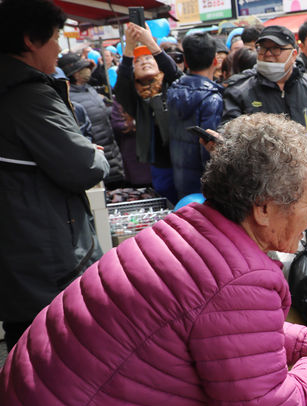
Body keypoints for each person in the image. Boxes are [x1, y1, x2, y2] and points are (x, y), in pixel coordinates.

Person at [0, 112, 307, 406]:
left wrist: (301, 344)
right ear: (263, 208)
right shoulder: (239, 278)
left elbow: (208, 326)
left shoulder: (186, 230)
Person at [0, 0, 109, 351]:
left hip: (21, 260)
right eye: (56, 37)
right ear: (31, 40)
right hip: (46, 264)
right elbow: (82, 167)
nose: (60, 47)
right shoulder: (28, 95)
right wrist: (95, 154)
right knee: (59, 361)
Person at [222, 25, 307, 185]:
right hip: (262, 184)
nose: (268, 55)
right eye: (263, 49)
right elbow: (229, 134)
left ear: (294, 54)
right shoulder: (239, 92)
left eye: (276, 49)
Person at [115, 23, 182, 203]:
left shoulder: (173, 87)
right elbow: (120, 87)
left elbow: (175, 73)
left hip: (185, 161)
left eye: (148, 58)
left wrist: (150, 43)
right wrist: (129, 47)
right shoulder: (134, 98)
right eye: (138, 61)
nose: (144, 61)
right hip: (161, 167)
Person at [167, 32, 224, 199]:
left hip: (180, 178)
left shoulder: (173, 90)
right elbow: (209, 149)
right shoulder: (211, 99)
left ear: (185, 61)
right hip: (205, 187)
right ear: (215, 60)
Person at [59, 52, 125, 187]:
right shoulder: (70, 99)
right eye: (83, 69)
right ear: (75, 74)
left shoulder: (89, 89)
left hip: (112, 155)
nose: (88, 71)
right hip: (97, 157)